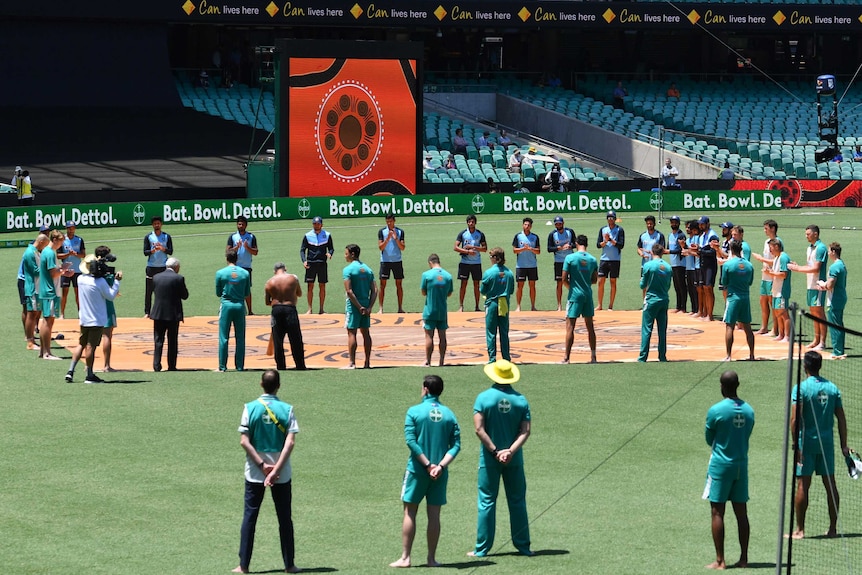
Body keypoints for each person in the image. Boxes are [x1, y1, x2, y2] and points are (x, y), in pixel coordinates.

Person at [234, 370, 301, 574]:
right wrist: (275, 469)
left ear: (261, 384)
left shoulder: (250, 408)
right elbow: (290, 443)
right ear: (278, 386)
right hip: (282, 473)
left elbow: (244, 441)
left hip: (254, 472)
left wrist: (263, 466)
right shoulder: (287, 409)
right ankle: (289, 565)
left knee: (250, 517)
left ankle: (243, 565)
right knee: (284, 518)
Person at [390, 375, 461, 568]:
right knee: (434, 515)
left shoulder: (414, 411)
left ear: (425, 389)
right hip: (440, 473)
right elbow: (456, 445)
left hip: (417, 471)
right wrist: (440, 466)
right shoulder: (449, 414)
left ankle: (406, 558)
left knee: (410, 512)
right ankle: (431, 559)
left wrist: (427, 464)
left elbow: (411, 441)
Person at [468, 360, 532, 558]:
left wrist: (495, 451)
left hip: (489, 459)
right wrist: (510, 451)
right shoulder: (521, 400)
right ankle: (523, 547)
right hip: (514, 459)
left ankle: (482, 549)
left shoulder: (483, 399)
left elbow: (479, 429)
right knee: (517, 500)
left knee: (487, 501)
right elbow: (525, 431)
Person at [790, 352, 849, 540]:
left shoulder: (800, 388)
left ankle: (800, 529)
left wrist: (795, 444)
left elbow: (794, 419)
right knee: (830, 484)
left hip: (806, 443)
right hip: (827, 444)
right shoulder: (832, 388)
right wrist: (844, 445)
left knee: (802, 485)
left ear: (805, 367)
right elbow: (841, 418)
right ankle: (832, 529)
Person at [703, 370, 754, 570]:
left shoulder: (716, 411)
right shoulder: (749, 410)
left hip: (720, 466)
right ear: (738, 384)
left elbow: (709, 439)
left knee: (717, 512)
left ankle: (720, 560)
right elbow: (747, 433)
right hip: (741, 465)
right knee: (742, 513)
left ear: (722, 387)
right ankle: (743, 558)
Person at [64, 250, 122, 384]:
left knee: (81, 344)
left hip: (84, 318)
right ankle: (89, 375)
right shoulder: (100, 282)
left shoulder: (80, 279)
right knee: (91, 347)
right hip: (96, 319)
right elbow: (111, 296)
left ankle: (70, 371)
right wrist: (117, 281)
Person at [788, 225, 828, 350]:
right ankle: (816, 340)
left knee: (819, 313)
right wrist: (798, 266)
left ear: (815, 234)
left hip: (818, 285)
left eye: (808, 234)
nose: (806, 236)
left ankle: (822, 342)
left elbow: (816, 268)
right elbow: (809, 265)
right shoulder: (810, 248)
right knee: (814, 313)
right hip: (810, 284)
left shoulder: (820, 248)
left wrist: (798, 269)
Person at [561, 235, 598, 364]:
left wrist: (571, 288)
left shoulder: (570, 258)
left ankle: (566, 357)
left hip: (574, 296)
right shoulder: (592, 259)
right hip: (588, 294)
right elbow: (594, 280)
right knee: (590, 327)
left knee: (570, 326)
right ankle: (593, 356)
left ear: (576, 243)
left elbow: (564, 278)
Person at [265, 263, 306, 371]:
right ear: (285, 269)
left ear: (274, 271)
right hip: (290, 308)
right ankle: (300, 364)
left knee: (278, 339)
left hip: (276, 310)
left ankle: (281, 366)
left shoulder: (270, 282)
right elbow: (299, 293)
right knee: (295, 338)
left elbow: (267, 302)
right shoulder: (293, 279)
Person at [150, 257, 189, 372]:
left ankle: (156, 365)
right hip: (173, 314)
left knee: (158, 340)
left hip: (158, 313)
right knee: (172, 341)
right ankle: (171, 365)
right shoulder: (179, 278)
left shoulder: (156, 277)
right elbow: (185, 295)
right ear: (176, 267)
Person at [216, 249, 251, 372]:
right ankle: (240, 366)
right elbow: (247, 292)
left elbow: (218, 293)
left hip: (226, 305)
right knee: (240, 337)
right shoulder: (245, 273)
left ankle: (222, 366)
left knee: (223, 337)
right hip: (240, 306)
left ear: (227, 259)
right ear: (237, 259)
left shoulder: (220, 273)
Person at [343, 243, 378, 369]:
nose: (345, 256)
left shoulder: (348, 270)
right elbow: (375, 290)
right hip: (366, 303)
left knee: (351, 332)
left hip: (354, 306)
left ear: (352, 254)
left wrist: (358, 306)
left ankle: (352, 362)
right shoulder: (368, 269)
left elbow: (349, 291)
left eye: (346, 253)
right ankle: (367, 362)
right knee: (366, 332)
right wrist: (369, 307)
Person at [719, 240, 755, 361]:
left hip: (733, 297)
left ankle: (728, 355)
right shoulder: (749, 265)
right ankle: (751, 354)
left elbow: (724, 282)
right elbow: (750, 282)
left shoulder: (728, 265)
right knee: (747, 327)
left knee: (730, 326)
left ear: (730, 249)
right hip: (745, 297)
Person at [39, 230, 72, 360]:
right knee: (48, 320)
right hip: (50, 290)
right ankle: (47, 352)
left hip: (47, 289)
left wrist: (63, 271)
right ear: (55, 240)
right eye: (61, 242)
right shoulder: (50, 253)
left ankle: (43, 351)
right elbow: (53, 273)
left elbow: (53, 272)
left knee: (47, 320)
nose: (61, 245)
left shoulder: (47, 252)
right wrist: (63, 269)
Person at [480, 247, 515, 363]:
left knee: (491, 332)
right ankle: (506, 357)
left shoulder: (489, 273)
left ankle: (492, 358)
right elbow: (511, 290)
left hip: (492, 304)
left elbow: (482, 290)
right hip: (504, 303)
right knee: (504, 332)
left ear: (495, 258)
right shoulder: (509, 273)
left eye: (491, 257)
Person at [638, 244, 671, 362]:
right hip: (664, 299)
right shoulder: (668, 267)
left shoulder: (648, 266)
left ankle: (643, 357)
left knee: (647, 329)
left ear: (652, 252)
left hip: (651, 299)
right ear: (662, 252)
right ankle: (662, 356)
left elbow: (642, 285)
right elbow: (668, 285)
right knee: (662, 330)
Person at [420, 254, 453, 367]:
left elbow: (423, 292)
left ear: (430, 263)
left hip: (429, 309)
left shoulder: (426, 275)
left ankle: (428, 361)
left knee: (429, 336)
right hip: (442, 309)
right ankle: (441, 361)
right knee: (442, 336)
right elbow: (449, 293)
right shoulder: (448, 276)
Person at [752, 219, 782, 336]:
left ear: (773, 228)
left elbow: (776, 260)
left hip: (772, 277)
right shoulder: (766, 242)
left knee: (772, 303)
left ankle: (775, 329)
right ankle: (764, 327)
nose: (764, 230)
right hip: (764, 276)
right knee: (763, 301)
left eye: (766, 228)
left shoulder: (777, 242)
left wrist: (761, 259)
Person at [300, 215, 334, 315]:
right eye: (314, 224)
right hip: (311, 263)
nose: (316, 225)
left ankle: (321, 309)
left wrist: (330, 254)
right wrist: (304, 261)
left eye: (318, 224)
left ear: (321, 224)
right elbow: (302, 250)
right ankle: (310, 309)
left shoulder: (327, 235)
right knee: (310, 286)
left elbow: (331, 248)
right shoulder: (307, 235)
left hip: (322, 263)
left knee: (322, 285)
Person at [818, 242, 847, 359]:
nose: (828, 253)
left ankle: (837, 351)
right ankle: (839, 349)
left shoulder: (834, 267)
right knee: (838, 324)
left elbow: (830, 285)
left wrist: (822, 284)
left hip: (834, 299)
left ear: (834, 252)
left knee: (835, 325)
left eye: (829, 251)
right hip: (840, 297)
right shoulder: (842, 265)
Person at [454, 215, 487, 312]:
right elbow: (456, 247)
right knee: (463, 284)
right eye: (469, 222)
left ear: (475, 223)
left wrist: (475, 248)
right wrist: (467, 251)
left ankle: (477, 306)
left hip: (476, 263)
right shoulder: (463, 234)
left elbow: (485, 249)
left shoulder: (480, 234)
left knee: (476, 284)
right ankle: (461, 306)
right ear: (467, 223)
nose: (471, 223)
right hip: (464, 262)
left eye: (472, 222)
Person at [227, 215, 259, 315]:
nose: (240, 226)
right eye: (239, 224)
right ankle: (237, 310)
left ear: (246, 225)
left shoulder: (251, 237)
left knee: (247, 289)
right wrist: (237, 247)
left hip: (247, 267)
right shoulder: (232, 237)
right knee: (234, 287)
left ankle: (250, 310)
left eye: (242, 224)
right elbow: (227, 252)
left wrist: (246, 247)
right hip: (235, 267)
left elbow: (255, 252)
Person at [22, 233, 48, 351]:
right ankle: (30, 341)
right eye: (45, 245)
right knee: (31, 314)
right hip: (32, 287)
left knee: (35, 313)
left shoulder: (36, 251)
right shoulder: (29, 253)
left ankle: (32, 339)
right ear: (41, 242)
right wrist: (50, 270)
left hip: (38, 287)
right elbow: (35, 271)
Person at [96, 246, 120, 373]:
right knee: (107, 336)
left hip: (94, 307)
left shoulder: (91, 274)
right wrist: (117, 281)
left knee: (91, 338)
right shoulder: (109, 276)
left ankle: (88, 365)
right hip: (107, 307)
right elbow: (113, 292)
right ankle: (106, 365)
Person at [143, 216, 173, 317]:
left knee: (164, 290)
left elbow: (171, 251)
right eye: (155, 224)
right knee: (149, 291)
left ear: (161, 224)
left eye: (158, 223)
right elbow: (145, 252)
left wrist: (162, 249)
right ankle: (147, 312)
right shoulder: (148, 237)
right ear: (152, 225)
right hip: (151, 267)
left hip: (163, 267)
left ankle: (165, 310)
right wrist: (152, 251)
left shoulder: (166, 236)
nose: (157, 225)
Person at [596, 210, 625, 311]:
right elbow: (598, 245)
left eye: (612, 218)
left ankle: (610, 305)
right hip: (604, 259)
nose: (610, 219)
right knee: (600, 281)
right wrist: (604, 241)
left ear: (615, 219)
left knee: (613, 281)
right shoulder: (603, 229)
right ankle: (599, 305)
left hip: (615, 259)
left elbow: (621, 245)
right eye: (609, 218)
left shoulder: (619, 230)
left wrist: (611, 240)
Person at [764, 238, 791, 342]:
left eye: (771, 247)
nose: (770, 250)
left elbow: (784, 274)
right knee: (777, 312)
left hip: (782, 290)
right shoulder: (776, 258)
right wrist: (770, 271)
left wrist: (770, 273)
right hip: (776, 290)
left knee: (783, 313)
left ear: (776, 246)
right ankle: (781, 334)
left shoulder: (783, 257)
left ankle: (787, 336)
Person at [378, 213, 406, 314]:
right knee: (382, 284)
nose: (389, 223)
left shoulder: (400, 232)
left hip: (397, 261)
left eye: (391, 221)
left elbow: (402, 247)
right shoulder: (382, 232)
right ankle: (381, 308)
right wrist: (387, 238)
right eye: (387, 221)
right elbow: (380, 247)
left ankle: (400, 308)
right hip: (385, 261)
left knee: (399, 284)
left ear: (394, 221)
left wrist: (395, 238)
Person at [512, 217, 541, 312]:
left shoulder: (535, 237)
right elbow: (514, 250)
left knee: (532, 286)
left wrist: (530, 249)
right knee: (520, 286)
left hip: (532, 265)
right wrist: (523, 249)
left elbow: (538, 251)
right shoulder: (518, 236)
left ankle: (533, 306)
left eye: (528, 225)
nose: (527, 226)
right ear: (522, 225)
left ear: (531, 226)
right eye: (525, 224)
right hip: (520, 265)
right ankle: (518, 306)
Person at [58, 220, 85, 319]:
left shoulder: (79, 240)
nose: (71, 230)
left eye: (72, 228)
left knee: (78, 293)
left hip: (77, 270)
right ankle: (62, 314)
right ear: (66, 228)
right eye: (69, 228)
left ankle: (80, 313)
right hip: (66, 271)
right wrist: (68, 254)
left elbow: (83, 254)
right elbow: (58, 255)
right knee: (64, 293)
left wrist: (76, 254)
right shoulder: (62, 240)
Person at [548, 216, 575, 312]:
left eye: (560, 223)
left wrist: (570, 246)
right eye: (556, 224)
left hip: (570, 260)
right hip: (558, 261)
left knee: (572, 282)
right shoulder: (552, 234)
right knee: (559, 282)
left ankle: (572, 302)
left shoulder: (570, 232)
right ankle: (559, 305)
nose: (558, 225)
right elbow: (549, 248)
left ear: (563, 223)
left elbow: (575, 244)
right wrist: (557, 248)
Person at [697, 216, 720, 321]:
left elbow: (713, 252)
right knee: (705, 288)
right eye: (700, 224)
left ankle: (710, 315)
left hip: (710, 265)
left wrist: (700, 251)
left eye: (702, 224)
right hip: (703, 264)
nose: (700, 226)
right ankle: (706, 313)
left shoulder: (712, 235)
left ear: (708, 224)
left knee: (709, 288)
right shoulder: (702, 236)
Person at [666, 216, 687, 313]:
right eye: (672, 222)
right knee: (676, 285)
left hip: (680, 263)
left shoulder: (681, 235)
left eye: (675, 222)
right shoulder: (670, 235)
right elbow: (668, 247)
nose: (673, 224)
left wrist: (669, 251)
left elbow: (680, 250)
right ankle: (678, 306)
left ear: (678, 223)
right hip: (673, 264)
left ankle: (683, 307)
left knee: (682, 285)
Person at [636, 214, 666, 280]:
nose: (649, 225)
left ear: (654, 224)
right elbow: (639, 248)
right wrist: (641, 254)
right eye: (648, 224)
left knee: (655, 284)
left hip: (656, 265)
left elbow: (662, 250)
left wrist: (652, 253)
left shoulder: (659, 235)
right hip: (645, 265)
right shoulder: (643, 235)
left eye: (651, 223)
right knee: (644, 285)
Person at [683, 220, 700, 317]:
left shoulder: (696, 238)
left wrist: (688, 251)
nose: (687, 229)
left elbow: (696, 252)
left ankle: (698, 309)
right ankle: (694, 308)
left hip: (694, 267)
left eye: (689, 227)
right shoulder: (688, 240)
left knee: (695, 289)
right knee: (690, 288)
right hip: (688, 267)